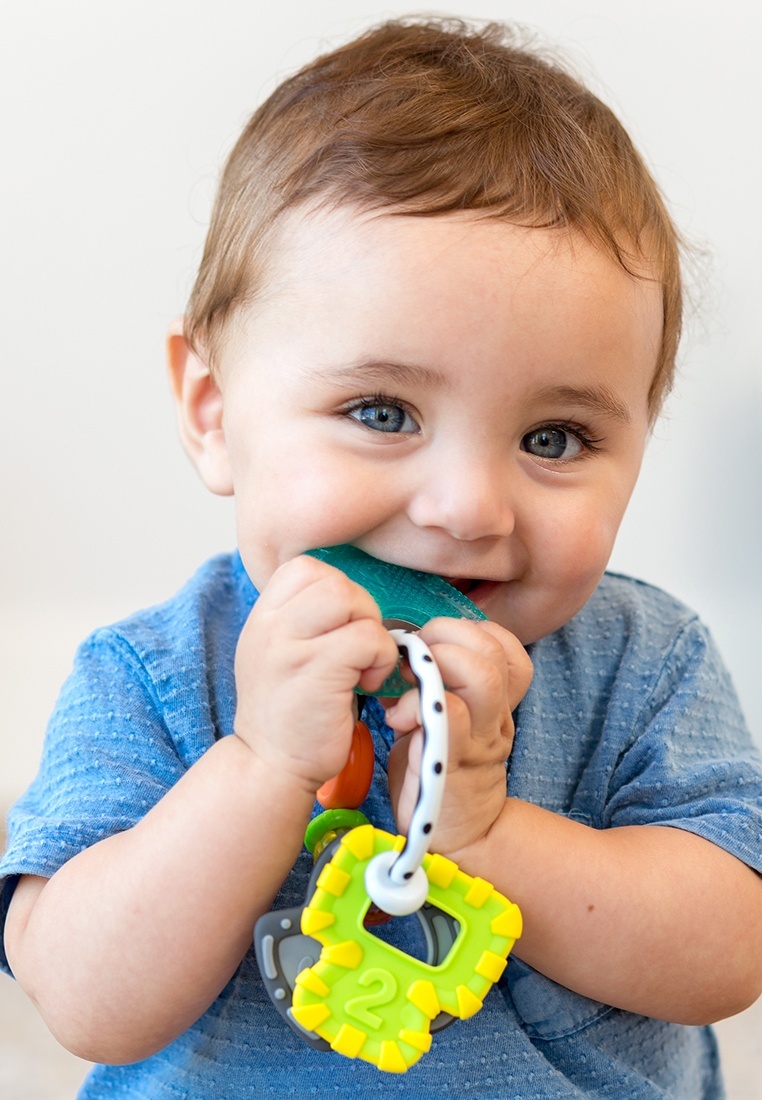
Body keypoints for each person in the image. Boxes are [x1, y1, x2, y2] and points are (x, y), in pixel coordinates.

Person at [1, 16, 761, 1099]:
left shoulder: (647, 664)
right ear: (214, 411)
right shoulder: (153, 674)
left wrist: (488, 835)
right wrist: (260, 767)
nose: (467, 508)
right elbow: (84, 998)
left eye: (554, 438)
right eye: (382, 411)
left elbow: (729, 954)